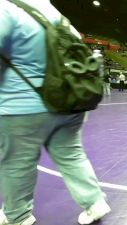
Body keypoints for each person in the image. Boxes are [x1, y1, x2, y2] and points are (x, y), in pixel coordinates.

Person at [0, 1, 111, 225]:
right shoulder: (62, 19)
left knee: (17, 163)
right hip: (68, 103)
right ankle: (95, 202)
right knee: (72, 155)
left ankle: (18, 215)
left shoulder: (6, 8)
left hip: (23, 105)